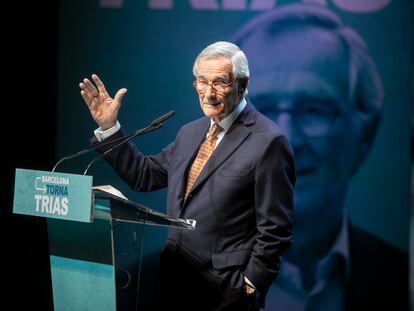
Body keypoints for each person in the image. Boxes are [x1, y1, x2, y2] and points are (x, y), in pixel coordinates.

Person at [79, 41, 295, 311]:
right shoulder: (190, 133)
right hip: (174, 284)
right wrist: (109, 127)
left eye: (220, 83)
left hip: (225, 293)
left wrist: (248, 288)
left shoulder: (268, 141)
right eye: (202, 82)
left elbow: (275, 232)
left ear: (242, 83)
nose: (209, 93)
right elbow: (143, 176)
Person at [232, 3, 408, 310]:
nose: (285, 140)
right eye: (262, 110)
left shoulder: (402, 280)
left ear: (364, 136)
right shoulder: (158, 285)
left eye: (314, 109)